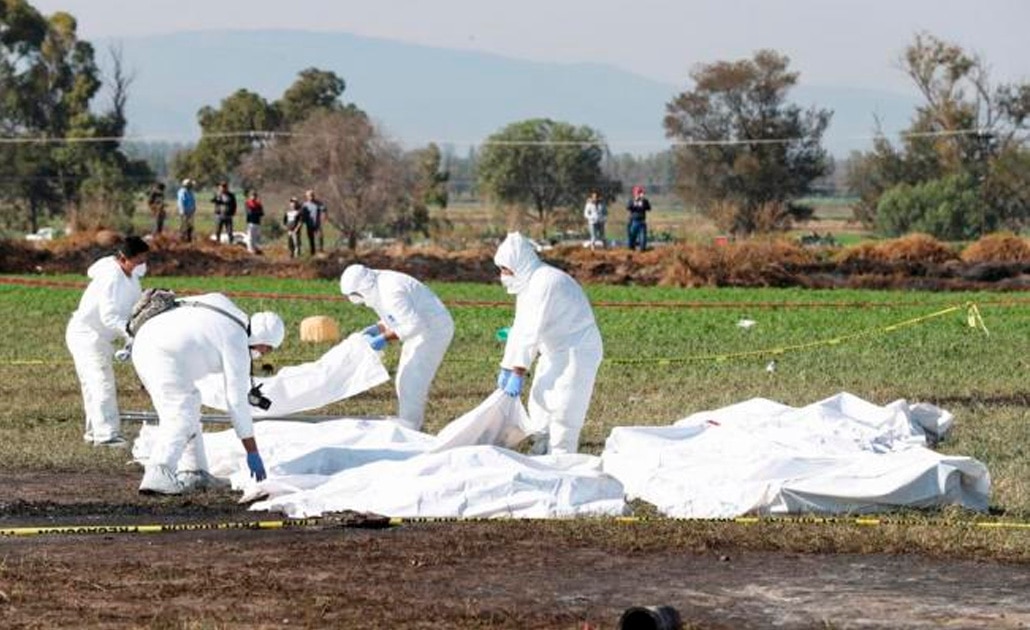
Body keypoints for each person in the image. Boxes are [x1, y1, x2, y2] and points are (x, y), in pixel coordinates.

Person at [131, 293, 284, 495]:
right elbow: (236, 402)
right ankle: (158, 472)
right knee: (181, 414)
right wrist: (252, 451)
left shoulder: (224, 306)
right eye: (266, 351)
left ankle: (195, 470)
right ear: (263, 343)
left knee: (188, 405)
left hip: (145, 343)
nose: (262, 355)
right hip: (162, 355)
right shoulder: (236, 340)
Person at [493, 232, 603, 455]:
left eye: (506, 270)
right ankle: (541, 453)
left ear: (520, 265)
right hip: (554, 350)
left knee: (564, 409)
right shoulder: (529, 284)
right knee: (541, 401)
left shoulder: (545, 282)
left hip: (578, 350)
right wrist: (506, 366)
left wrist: (518, 371)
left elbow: (530, 332)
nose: (503, 276)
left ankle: (561, 458)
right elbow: (520, 328)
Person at [339, 264, 454, 431]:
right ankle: (408, 423)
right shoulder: (379, 286)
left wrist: (382, 339)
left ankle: (411, 428)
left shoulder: (390, 292)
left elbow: (413, 325)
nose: (356, 299)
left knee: (412, 380)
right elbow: (395, 316)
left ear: (363, 289)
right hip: (422, 328)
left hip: (432, 331)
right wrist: (378, 328)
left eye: (355, 295)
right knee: (404, 379)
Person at [65, 236, 150, 447]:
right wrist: (131, 333)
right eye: (138, 260)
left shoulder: (130, 273)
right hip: (88, 335)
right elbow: (109, 317)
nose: (142, 264)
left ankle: (94, 432)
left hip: (98, 336)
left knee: (93, 386)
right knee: (101, 382)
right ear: (123, 258)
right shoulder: (111, 277)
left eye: (144, 259)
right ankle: (106, 436)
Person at [626, 185, 651, 251]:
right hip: (634, 221)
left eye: (641, 193)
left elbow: (648, 208)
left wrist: (643, 202)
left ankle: (642, 248)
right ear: (636, 193)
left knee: (643, 239)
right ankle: (631, 248)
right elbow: (628, 207)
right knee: (632, 238)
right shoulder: (631, 200)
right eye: (639, 193)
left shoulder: (644, 201)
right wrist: (635, 202)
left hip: (642, 221)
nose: (641, 194)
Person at [302, 189, 325, 255]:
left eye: (312, 195)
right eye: (309, 196)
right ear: (306, 197)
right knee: (311, 239)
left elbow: (324, 210)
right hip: (309, 225)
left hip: (317, 224)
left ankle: (320, 251)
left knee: (320, 237)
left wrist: (323, 218)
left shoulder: (319, 203)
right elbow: (303, 215)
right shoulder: (305, 205)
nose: (311, 197)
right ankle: (312, 252)